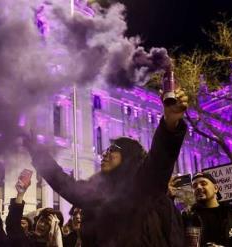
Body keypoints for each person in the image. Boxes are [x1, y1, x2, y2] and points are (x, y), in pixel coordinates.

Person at [23, 88, 189, 246]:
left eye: (113, 150)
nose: (105, 154)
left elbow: (160, 158)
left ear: (128, 157)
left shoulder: (143, 185)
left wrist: (170, 123)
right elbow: (63, 183)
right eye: (106, 150)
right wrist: (38, 154)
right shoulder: (96, 190)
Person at [0, 170, 64, 247]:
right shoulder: (27, 241)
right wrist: (20, 194)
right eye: (41, 220)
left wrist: (56, 236)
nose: (41, 224)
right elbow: (12, 225)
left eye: (47, 223)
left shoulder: (60, 242)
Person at [182, 172, 232, 247]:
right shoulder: (187, 218)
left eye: (203, 183)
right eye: (194, 186)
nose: (198, 187)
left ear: (215, 188)